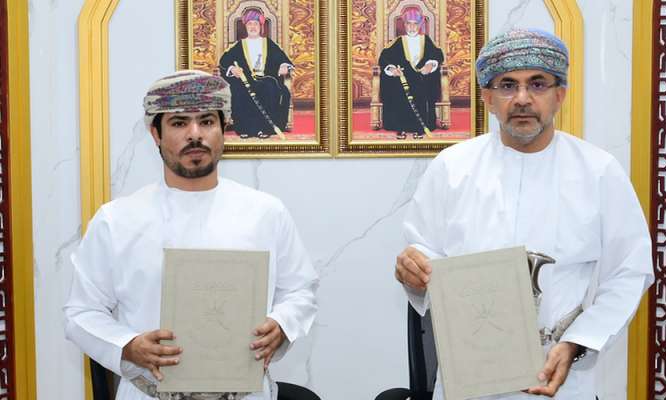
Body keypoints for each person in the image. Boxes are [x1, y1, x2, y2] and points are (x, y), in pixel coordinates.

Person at [394, 29, 654, 399]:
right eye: (507, 85)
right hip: (469, 375)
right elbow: (423, 254)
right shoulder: (451, 168)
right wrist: (412, 271)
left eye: (537, 84)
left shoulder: (598, 171)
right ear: (487, 97)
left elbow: (629, 272)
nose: (522, 99)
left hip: (561, 376)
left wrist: (578, 342)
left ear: (559, 94)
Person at [64, 70, 318, 400]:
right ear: (155, 133)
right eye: (179, 122)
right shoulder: (116, 220)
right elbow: (81, 313)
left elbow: (300, 290)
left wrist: (282, 324)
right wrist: (128, 346)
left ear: (224, 129)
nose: (195, 134)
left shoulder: (266, 213)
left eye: (207, 121)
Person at [219, 8, 293, 139]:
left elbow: (282, 59)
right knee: (239, 91)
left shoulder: (268, 43)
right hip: (245, 81)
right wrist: (232, 69)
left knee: (270, 88)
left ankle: (265, 128)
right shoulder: (239, 45)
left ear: (261, 26)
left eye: (255, 24)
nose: (253, 27)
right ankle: (246, 128)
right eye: (250, 24)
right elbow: (224, 61)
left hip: (266, 79)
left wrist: (283, 66)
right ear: (246, 26)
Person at [378, 6, 444, 140]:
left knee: (422, 90)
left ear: (420, 25)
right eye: (409, 24)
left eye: (415, 24)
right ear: (405, 25)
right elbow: (384, 58)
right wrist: (392, 69)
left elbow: (437, 55)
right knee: (398, 90)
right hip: (402, 79)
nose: (412, 27)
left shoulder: (426, 40)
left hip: (422, 79)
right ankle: (400, 126)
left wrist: (431, 64)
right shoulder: (398, 42)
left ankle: (420, 128)